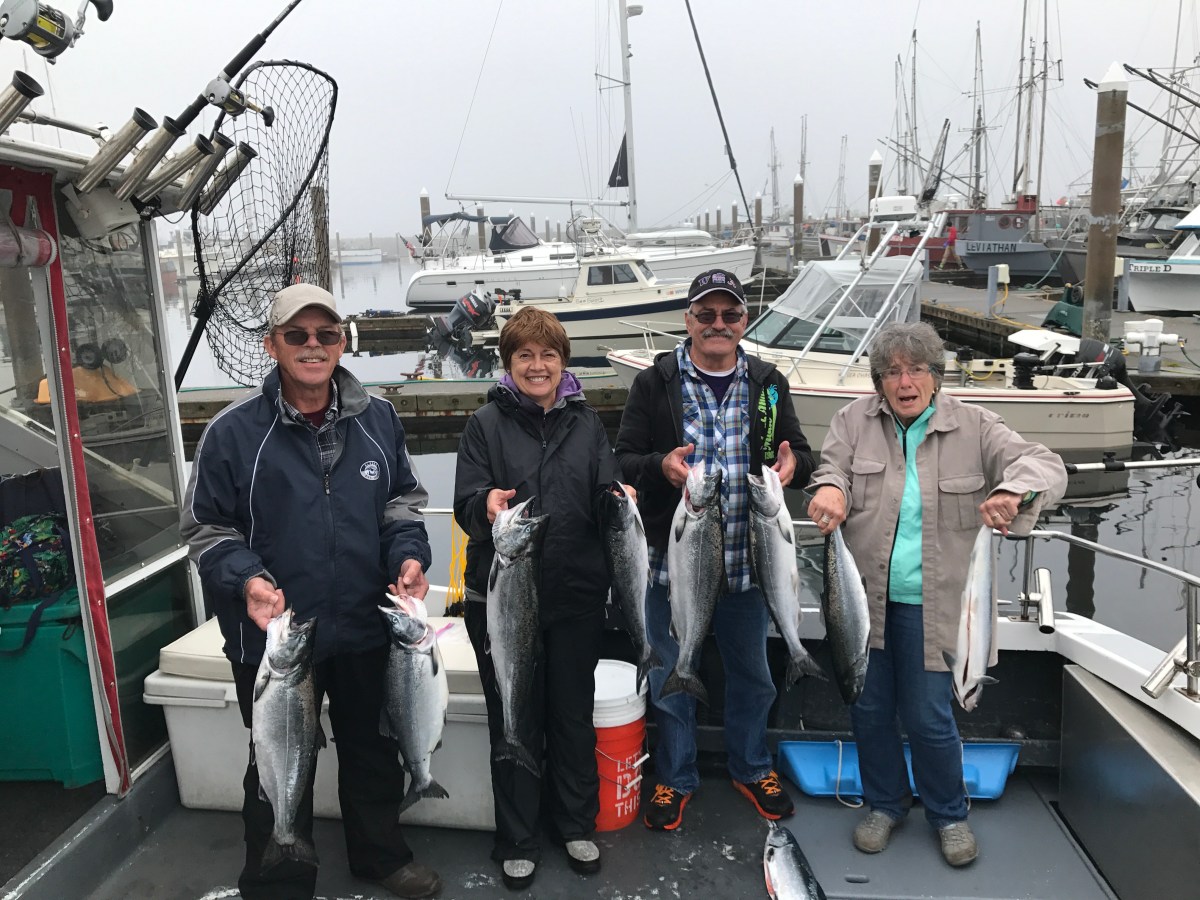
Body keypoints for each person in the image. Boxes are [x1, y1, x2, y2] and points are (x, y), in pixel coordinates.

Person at [181, 283, 441, 900]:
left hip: (363, 621)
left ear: (342, 343)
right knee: (272, 760)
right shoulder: (232, 433)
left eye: (326, 334)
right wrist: (246, 579)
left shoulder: (378, 419)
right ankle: (279, 877)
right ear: (272, 344)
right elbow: (206, 528)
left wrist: (408, 558)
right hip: (274, 637)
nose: (312, 346)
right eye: (296, 335)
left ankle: (380, 856)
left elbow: (403, 504)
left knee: (372, 747)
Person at [806, 321, 1066, 867]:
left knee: (929, 717)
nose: (905, 381)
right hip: (862, 600)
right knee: (869, 709)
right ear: (878, 381)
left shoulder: (976, 425)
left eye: (916, 369)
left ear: (936, 377)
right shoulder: (852, 421)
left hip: (939, 604)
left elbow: (1043, 463)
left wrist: (1012, 491)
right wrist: (830, 487)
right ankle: (884, 803)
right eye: (892, 372)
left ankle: (948, 813)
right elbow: (832, 468)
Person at [614, 268, 815, 831]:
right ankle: (674, 778)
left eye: (729, 315)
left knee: (754, 675)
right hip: (669, 568)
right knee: (670, 674)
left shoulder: (768, 382)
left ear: (744, 322)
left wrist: (795, 465)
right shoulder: (654, 383)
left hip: (752, 569)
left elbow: (798, 452)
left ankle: (752, 767)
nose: (718, 324)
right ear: (688, 321)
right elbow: (624, 458)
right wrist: (661, 467)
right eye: (706, 314)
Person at [453, 306, 625, 891]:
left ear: (563, 363)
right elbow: (465, 503)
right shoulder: (484, 424)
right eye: (524, 355)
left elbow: (603, 490)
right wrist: (486, 507)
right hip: (502, 599)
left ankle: (574, 823)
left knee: (573, 716)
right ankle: (518, 836)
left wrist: (618, 496)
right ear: (508, 364)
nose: (537, 365)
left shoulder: (587, 423)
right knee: (515, 718)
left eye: (548, 354)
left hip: (577, 594)